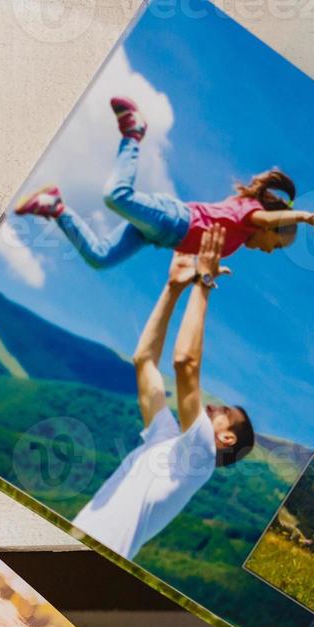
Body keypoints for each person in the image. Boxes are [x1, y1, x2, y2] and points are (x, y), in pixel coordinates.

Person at [72, 225, 255, 559]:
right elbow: (144, 361)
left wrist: (204, 284)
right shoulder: (166, 440)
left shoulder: (200, 457)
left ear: (226, 440)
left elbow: (185, 363)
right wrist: (172, 288)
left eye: (223, 414)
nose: (212, 408)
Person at [14, 96, 314, 263]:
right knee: (115, 196)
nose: (269, 251)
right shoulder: (249, 214)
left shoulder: (233, 244)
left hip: (158, 235)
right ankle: (133, 133)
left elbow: (203, 251)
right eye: (275, 245)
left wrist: (209, 272)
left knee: (100, 257)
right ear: (269, 225)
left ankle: (55, 207)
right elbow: (270, 216)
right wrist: (303, 216)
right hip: (172, 219)